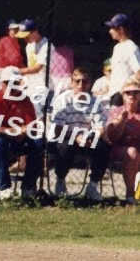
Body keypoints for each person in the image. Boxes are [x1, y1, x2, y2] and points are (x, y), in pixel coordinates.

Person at [0, 66, 43, 200]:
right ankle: (5, 189)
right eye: (7, 82)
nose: (10, 86)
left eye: (14, 82)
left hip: (18, 139)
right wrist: (13, 131)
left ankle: (28, 188)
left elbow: (32, 126)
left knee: (38, 143)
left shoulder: (25, 100)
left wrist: (24, 131)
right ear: (2, 83)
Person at [52, 68, 110, 201]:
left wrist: (92, 136)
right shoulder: (62, 100)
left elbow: (101, 128)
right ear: (72, 82)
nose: (81, 85)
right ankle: (60, 181)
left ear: (90, 84)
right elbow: (58, 129)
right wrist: (76, 136)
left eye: (85, 81)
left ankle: (92, 186)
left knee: (103, 147)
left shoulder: (96, 102)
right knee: (63, 147)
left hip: (88, 138)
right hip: (68, 137)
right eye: (77, 81)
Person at [105, 80, 140, 204]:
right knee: (133, 152)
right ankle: (131, 194)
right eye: (128, 92)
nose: (132, 95)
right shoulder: (116, 112)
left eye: (136, 92)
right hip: (119, 149)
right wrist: (121, 122)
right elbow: (111, 138)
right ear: (122, 95)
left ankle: (138, 192)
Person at [16, 19, 55, 119]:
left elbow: (37, 68)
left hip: (43, 87)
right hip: (30, 87)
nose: (24, 39)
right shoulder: (29, 46)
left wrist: (17, 71)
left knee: (40, 117)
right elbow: (30, 67)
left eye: (26, 36)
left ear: (35, 32)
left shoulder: (47, 45)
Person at [104, 13, 140, 107]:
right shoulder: (117, 47)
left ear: (121, 29)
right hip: (113, 93)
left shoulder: (131, 47)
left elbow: (139, 72)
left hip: (123, 95)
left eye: (112, 28)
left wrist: (124, 88)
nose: (110, 31)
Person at [0, 19, 25, 91]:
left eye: (18, 29)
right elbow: (14, 60)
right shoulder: (6, 40)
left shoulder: (16, 44)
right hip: (0, 74)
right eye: (14, 30)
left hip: (5, 74)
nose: (17, 32)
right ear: (8, 31)